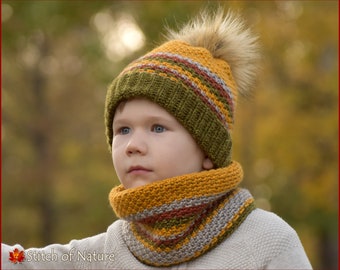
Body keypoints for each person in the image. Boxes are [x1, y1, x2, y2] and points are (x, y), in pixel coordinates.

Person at [1, 8, 312, 269]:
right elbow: (24, 261)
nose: (133, 145)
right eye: (122, 129)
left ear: (207, 148)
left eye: (158, 128)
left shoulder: (265, 241)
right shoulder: (106, 252)